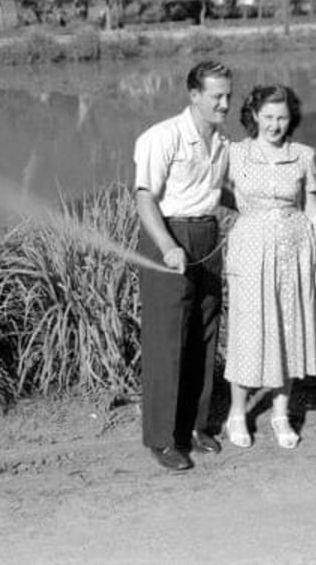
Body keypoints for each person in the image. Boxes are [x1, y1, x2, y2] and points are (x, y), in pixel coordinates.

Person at [133, 60, 232, 471]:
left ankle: (194, 425)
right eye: (217, 97)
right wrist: (168, 246)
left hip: (207, 237)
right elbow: (144, 198)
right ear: (194, 96)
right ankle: (162, 437)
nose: (225, 104)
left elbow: (215, 192)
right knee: (167, 338)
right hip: (168, 240)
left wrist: (258, 205)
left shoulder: (222, 143)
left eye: (228, 95)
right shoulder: (163, 137)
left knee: (204, 334)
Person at [222, 84, 316, 450]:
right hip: (250, 252)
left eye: (281, 117)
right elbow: (211, 190)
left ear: (291, 118)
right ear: (253, 115)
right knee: (248, 329)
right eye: (268, 117)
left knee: (290, 329)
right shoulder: (235, 154)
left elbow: (313, 211)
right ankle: (237, 412)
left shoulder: (302, 155)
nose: (274, 125)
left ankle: (281, 414)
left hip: (296, 251)